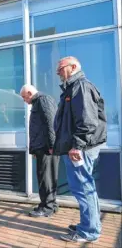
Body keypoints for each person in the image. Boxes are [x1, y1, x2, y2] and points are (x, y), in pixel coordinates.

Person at [54, 57, 106, 243]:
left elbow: (87, 121)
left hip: (80, 148)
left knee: (83, 188)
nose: (57, 72)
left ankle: (89, 231)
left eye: (60, 68)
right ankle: (88, 224)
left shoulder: (81, 87)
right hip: (78, 146)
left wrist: (77, 145)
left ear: (73, 67)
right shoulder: (72, 88)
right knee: (84, 188)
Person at [20, 84, 60, 217]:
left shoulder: (43, 100)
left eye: (24, 97)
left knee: (46, 177)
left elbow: (51, 122)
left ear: (30, 93)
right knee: (47, 176)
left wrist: (51, 145)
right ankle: (50, 204)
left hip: (46, 148)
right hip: (43, 147)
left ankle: (47, 207)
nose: (24, 100)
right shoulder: (40, 102)